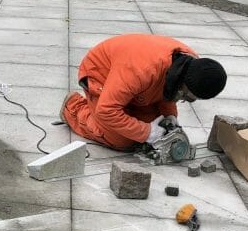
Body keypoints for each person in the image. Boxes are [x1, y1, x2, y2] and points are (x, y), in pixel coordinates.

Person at [60, 34, 227, 150]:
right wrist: (147, 132)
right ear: (183, 81)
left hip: (133, 83)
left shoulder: (190, 65)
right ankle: (73, 108)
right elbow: (107, 110)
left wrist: (170, 115)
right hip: (100, 74)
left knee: (151, 125)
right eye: (186, 95)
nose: (183, 99)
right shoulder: (141, 70)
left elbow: (169, 88)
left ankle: (129, 107)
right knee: (123, 139)